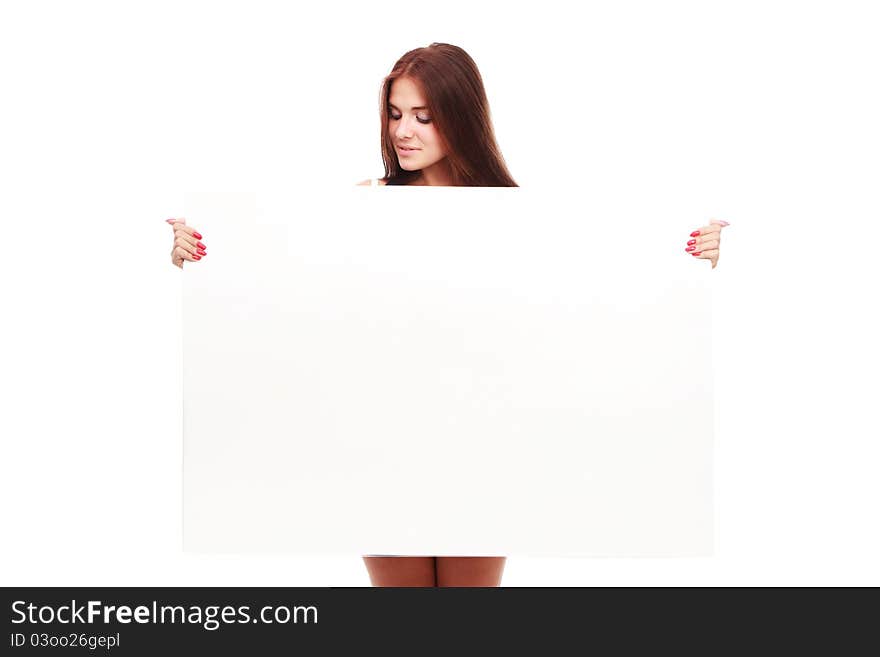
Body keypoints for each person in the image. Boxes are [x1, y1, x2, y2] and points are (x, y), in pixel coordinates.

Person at [166, 43, 729, 587]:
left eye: (423, 116)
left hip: (483, 440)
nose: (402, 131)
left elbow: (591, 293)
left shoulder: (514, 216)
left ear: (459, 118)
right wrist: (207, 254)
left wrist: (686, 256)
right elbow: (287, 286)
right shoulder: (362, 206)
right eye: (394, 115)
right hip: (376, 440)